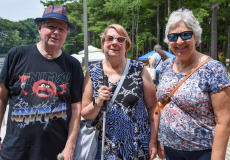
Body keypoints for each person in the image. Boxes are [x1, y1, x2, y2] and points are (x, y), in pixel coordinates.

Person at [0, 5, 84, 160]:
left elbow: (76, 108)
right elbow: (1, 98)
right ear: (40, 28)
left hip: (55, 153)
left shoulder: (72, 65)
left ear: (66, 34)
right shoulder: (16, 55)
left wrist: (70, 147)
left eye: (62, 29)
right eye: (51, 26)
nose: (56, 32)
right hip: (15, 151)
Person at [156, 8, 230, 160]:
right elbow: (162, 104)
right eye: (173, 36)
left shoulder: (213, 69)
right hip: (170, 150)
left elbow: (224, 122)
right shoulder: (165, 66)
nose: (179, 41)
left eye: (186, 34)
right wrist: (159, 139)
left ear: (196, 37)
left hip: (202, 153)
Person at [81, 24, 160, 159]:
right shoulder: (92, 72)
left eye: (120, 40)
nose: (114, 43)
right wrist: (98, 101)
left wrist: (153, 140)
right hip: (103, 149)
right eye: (109, 38)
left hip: (137, 147)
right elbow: (85, 115)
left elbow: (153, 107)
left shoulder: (139, 69)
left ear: (127, 45)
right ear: (103, 43)